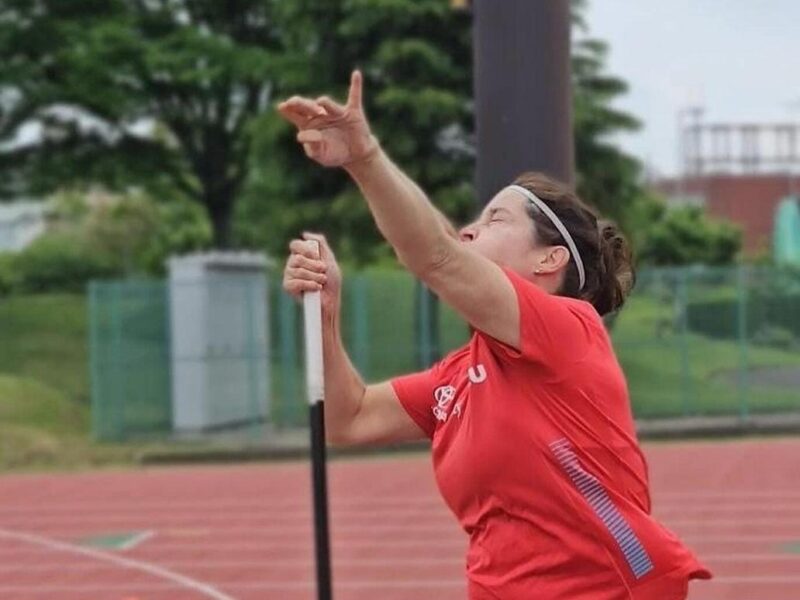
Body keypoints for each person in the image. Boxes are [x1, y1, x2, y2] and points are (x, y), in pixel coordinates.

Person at [278, 71, 711, 600]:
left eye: (494, 220)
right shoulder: (459, 375)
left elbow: (435, 254)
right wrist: (326, 312)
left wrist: (363, 156)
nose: (468, 230)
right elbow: (348, 419)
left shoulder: (569, 330)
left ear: (549, 259)